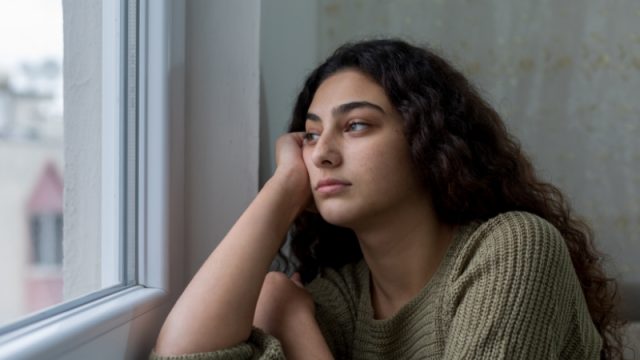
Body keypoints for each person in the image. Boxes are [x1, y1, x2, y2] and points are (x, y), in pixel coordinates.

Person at [151, 39, 624, 359]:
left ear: (429, 140)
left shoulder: (515, 249)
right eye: (311, 136)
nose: (323, 155)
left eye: (356, 125)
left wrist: (296, 330)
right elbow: (183, 355)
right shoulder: (344, 296)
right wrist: (283, 188)